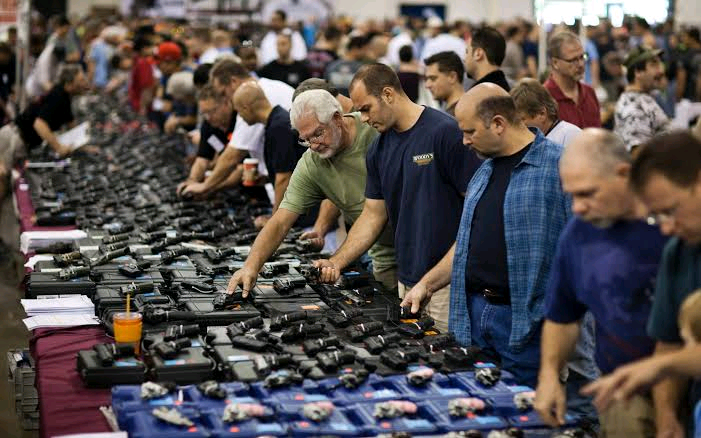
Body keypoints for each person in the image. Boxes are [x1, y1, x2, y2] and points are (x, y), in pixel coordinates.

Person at [400, 84, 588, 392]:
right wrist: (426, 284)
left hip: (527, 326)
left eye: (470, 131)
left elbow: (583, 254)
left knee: (525, 412)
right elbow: (466, 244)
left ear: (498, 123)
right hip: (474, 318)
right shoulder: (483, 171)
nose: (464, 140)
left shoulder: (560, 168)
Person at [314, 63, 482, 332]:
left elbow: (477, 214)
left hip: (447, 285)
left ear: (388, 94)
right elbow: (372, 215)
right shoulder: (377, 150)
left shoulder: (445, 133)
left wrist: (436, 279)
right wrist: (336, 261)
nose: (363, 119)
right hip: (407, 281)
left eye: (366, 108)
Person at [534, 129, 666, 436]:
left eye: (587, 193)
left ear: (623, 173)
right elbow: (562, 316)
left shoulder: (673, 223)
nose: (577, 207)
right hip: (623, 393)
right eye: (572, 195)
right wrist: (549, 375)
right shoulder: (579, 233)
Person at [226, 88, 397, 293]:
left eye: (318, 133)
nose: (313, 145)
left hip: (421, 242)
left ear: (337, 118)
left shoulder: (374, 128)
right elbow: (280, 221)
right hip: (384, 252)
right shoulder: (312, 163)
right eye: (305, 139)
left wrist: (336, 260)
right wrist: (250, 266)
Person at [594, 131, 701, 437]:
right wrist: (666, 417)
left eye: (670, 211)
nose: (665, 228)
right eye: (657, 217)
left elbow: (668, 359)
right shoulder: (679, 252)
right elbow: (668, 342)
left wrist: (659, 367)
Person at [181, 60, 294, 199]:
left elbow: (233, 155)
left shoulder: (253, 99)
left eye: (223, 92)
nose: (227, 100)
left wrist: (205, 186)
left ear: (233, 81)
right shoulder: (269, 86)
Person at [232, 81, 305, 211]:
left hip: (303, 212)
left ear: (246, 108)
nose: (240, 117)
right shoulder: (277, 121)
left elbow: (284, 178)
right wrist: (265, 179)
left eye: (238, 111)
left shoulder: (278, 127)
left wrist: (275, 218)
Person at [177, 84, 235, 196]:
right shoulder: (209, 125)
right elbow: (202, 159)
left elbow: (238, 166)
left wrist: (207, 187)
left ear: (226, 103)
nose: (208, 117)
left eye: (212, 111)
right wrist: (191, 182)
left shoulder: (240, 122)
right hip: (226, 182)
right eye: (204, 113)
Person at [614, 47, 669, 153]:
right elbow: (638, 153)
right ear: (638, 72)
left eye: (660, 64)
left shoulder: (643, 99)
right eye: (654, 65)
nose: (661, 71)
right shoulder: (634, 107)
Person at [544, 31, 601, 129]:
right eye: (573, 60)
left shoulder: (589, 92)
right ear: (555, 63)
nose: (581, 64)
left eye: (582, 57)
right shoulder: (544, 98)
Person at [510, 78, 581, 146]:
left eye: (522, 119)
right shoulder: (527, 142)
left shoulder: (571, 135)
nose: (517, 125)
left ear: (542, 114)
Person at [464, 26, 510, 91]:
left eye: (467, 52)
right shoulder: (506, 88)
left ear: (478, 54)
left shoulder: (479, 93)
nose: (464, 59)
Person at [424, 51, 465, 117]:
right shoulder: (450, 112)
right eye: (427, 79)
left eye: (433, 78)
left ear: (452, 77)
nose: (427, 85)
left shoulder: (462, 114)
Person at [128, 36, 155, 116]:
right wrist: (143, 108)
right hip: (140, 105)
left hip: (134, 102)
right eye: (150, 47)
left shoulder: (136, 61)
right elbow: (146, 87)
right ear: (144, 49)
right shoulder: (143, 63)